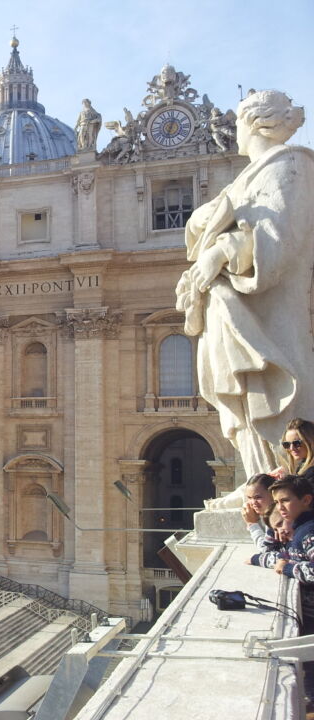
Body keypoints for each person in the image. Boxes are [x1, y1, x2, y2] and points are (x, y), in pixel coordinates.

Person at [175, 90, 314, 480]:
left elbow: (279, 238)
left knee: (271, 393)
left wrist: (220, 252)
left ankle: (284, 477)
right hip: (238, 309)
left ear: (255, 122)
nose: (232, 129)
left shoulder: (291, 167)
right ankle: (262, 476)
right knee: (246, 401)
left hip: (268, 312)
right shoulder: (249, 177)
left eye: (236, 121)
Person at [249, 475, 314, 630]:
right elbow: (282, 557)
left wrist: (288, 569)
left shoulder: (309, 532)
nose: (280, 507)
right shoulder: (298, 530)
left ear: (306, 500)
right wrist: (257, 559)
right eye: (277, 502)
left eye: (285, 500)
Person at [241, 473, 279, 546]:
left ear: (272, 495)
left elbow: (265, 549)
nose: (253, 503)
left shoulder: (278, 518)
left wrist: (252, 524)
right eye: (249, 498)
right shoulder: (268, 515)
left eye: (258, 497)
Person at [279, 419, 314, 485]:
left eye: (297, 443)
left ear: (310, 442)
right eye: (287, 444)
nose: (291, 448)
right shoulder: (302, 466)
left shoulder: (311, 473)